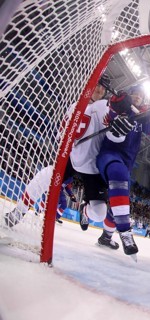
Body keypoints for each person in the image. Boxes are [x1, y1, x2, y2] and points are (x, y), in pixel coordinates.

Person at [4, 75, 120, 250]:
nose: (101, 90)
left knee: (99, 213)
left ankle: (85, 210)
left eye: (104, 88)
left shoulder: (104, 107)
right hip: (73, 157)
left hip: (93, 165)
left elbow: (116, 118)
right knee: (46, 175)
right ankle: (18, 212)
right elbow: (62, 136)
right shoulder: (75, 107)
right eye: (98, 85)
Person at [96, 84, 150, 256]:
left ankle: (106, 237)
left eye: (140, 95)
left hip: (126, 164)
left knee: (117, 206)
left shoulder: (141, 115)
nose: (137, 97)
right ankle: (125, 232)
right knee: (119, 175)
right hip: (109, 155)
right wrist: (117, 105)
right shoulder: (121, 106)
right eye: (134, 94)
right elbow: (110, 115)